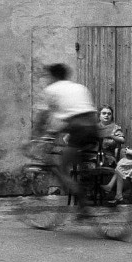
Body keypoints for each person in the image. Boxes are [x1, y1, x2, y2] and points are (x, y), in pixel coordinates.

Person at [34, 63, 98, 213]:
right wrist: (53, 132)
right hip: (93, 127)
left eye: (48, 76)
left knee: (63, 169)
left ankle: (83, 202)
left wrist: (36, 137)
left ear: (53, 76)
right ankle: (83, 203)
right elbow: (75, 113)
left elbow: (43, 116)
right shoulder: (80, 87)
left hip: (78, 129)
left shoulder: (52, 90)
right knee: (80, 164)